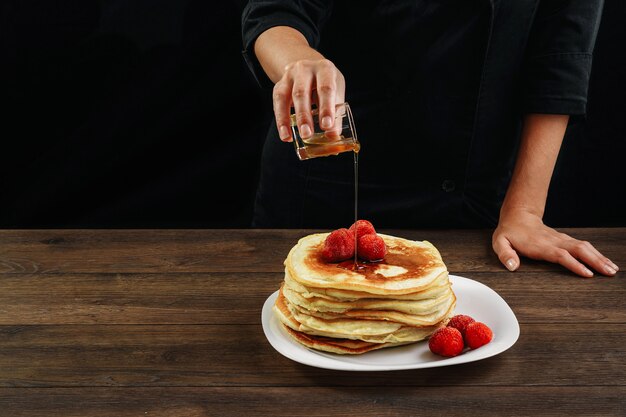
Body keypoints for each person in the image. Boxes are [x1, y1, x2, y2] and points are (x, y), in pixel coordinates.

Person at [240, 0, 618, 278]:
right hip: (327, 187)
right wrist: (297, 61)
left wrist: (525, 212)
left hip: (472, 210)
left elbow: (561, 57)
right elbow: (276, 11)